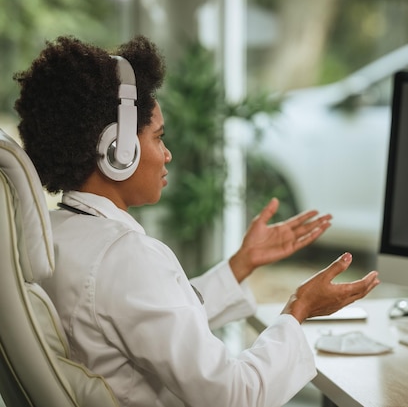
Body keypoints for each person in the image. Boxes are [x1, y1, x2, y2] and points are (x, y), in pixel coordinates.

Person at [13, 35, 380, 407]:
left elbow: (153, 320)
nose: (167, 154)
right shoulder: (125, 257)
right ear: (118, 151)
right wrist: (298, 308)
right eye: (159, 137)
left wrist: (240, 265)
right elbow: (234, 395)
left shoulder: (54, 236)